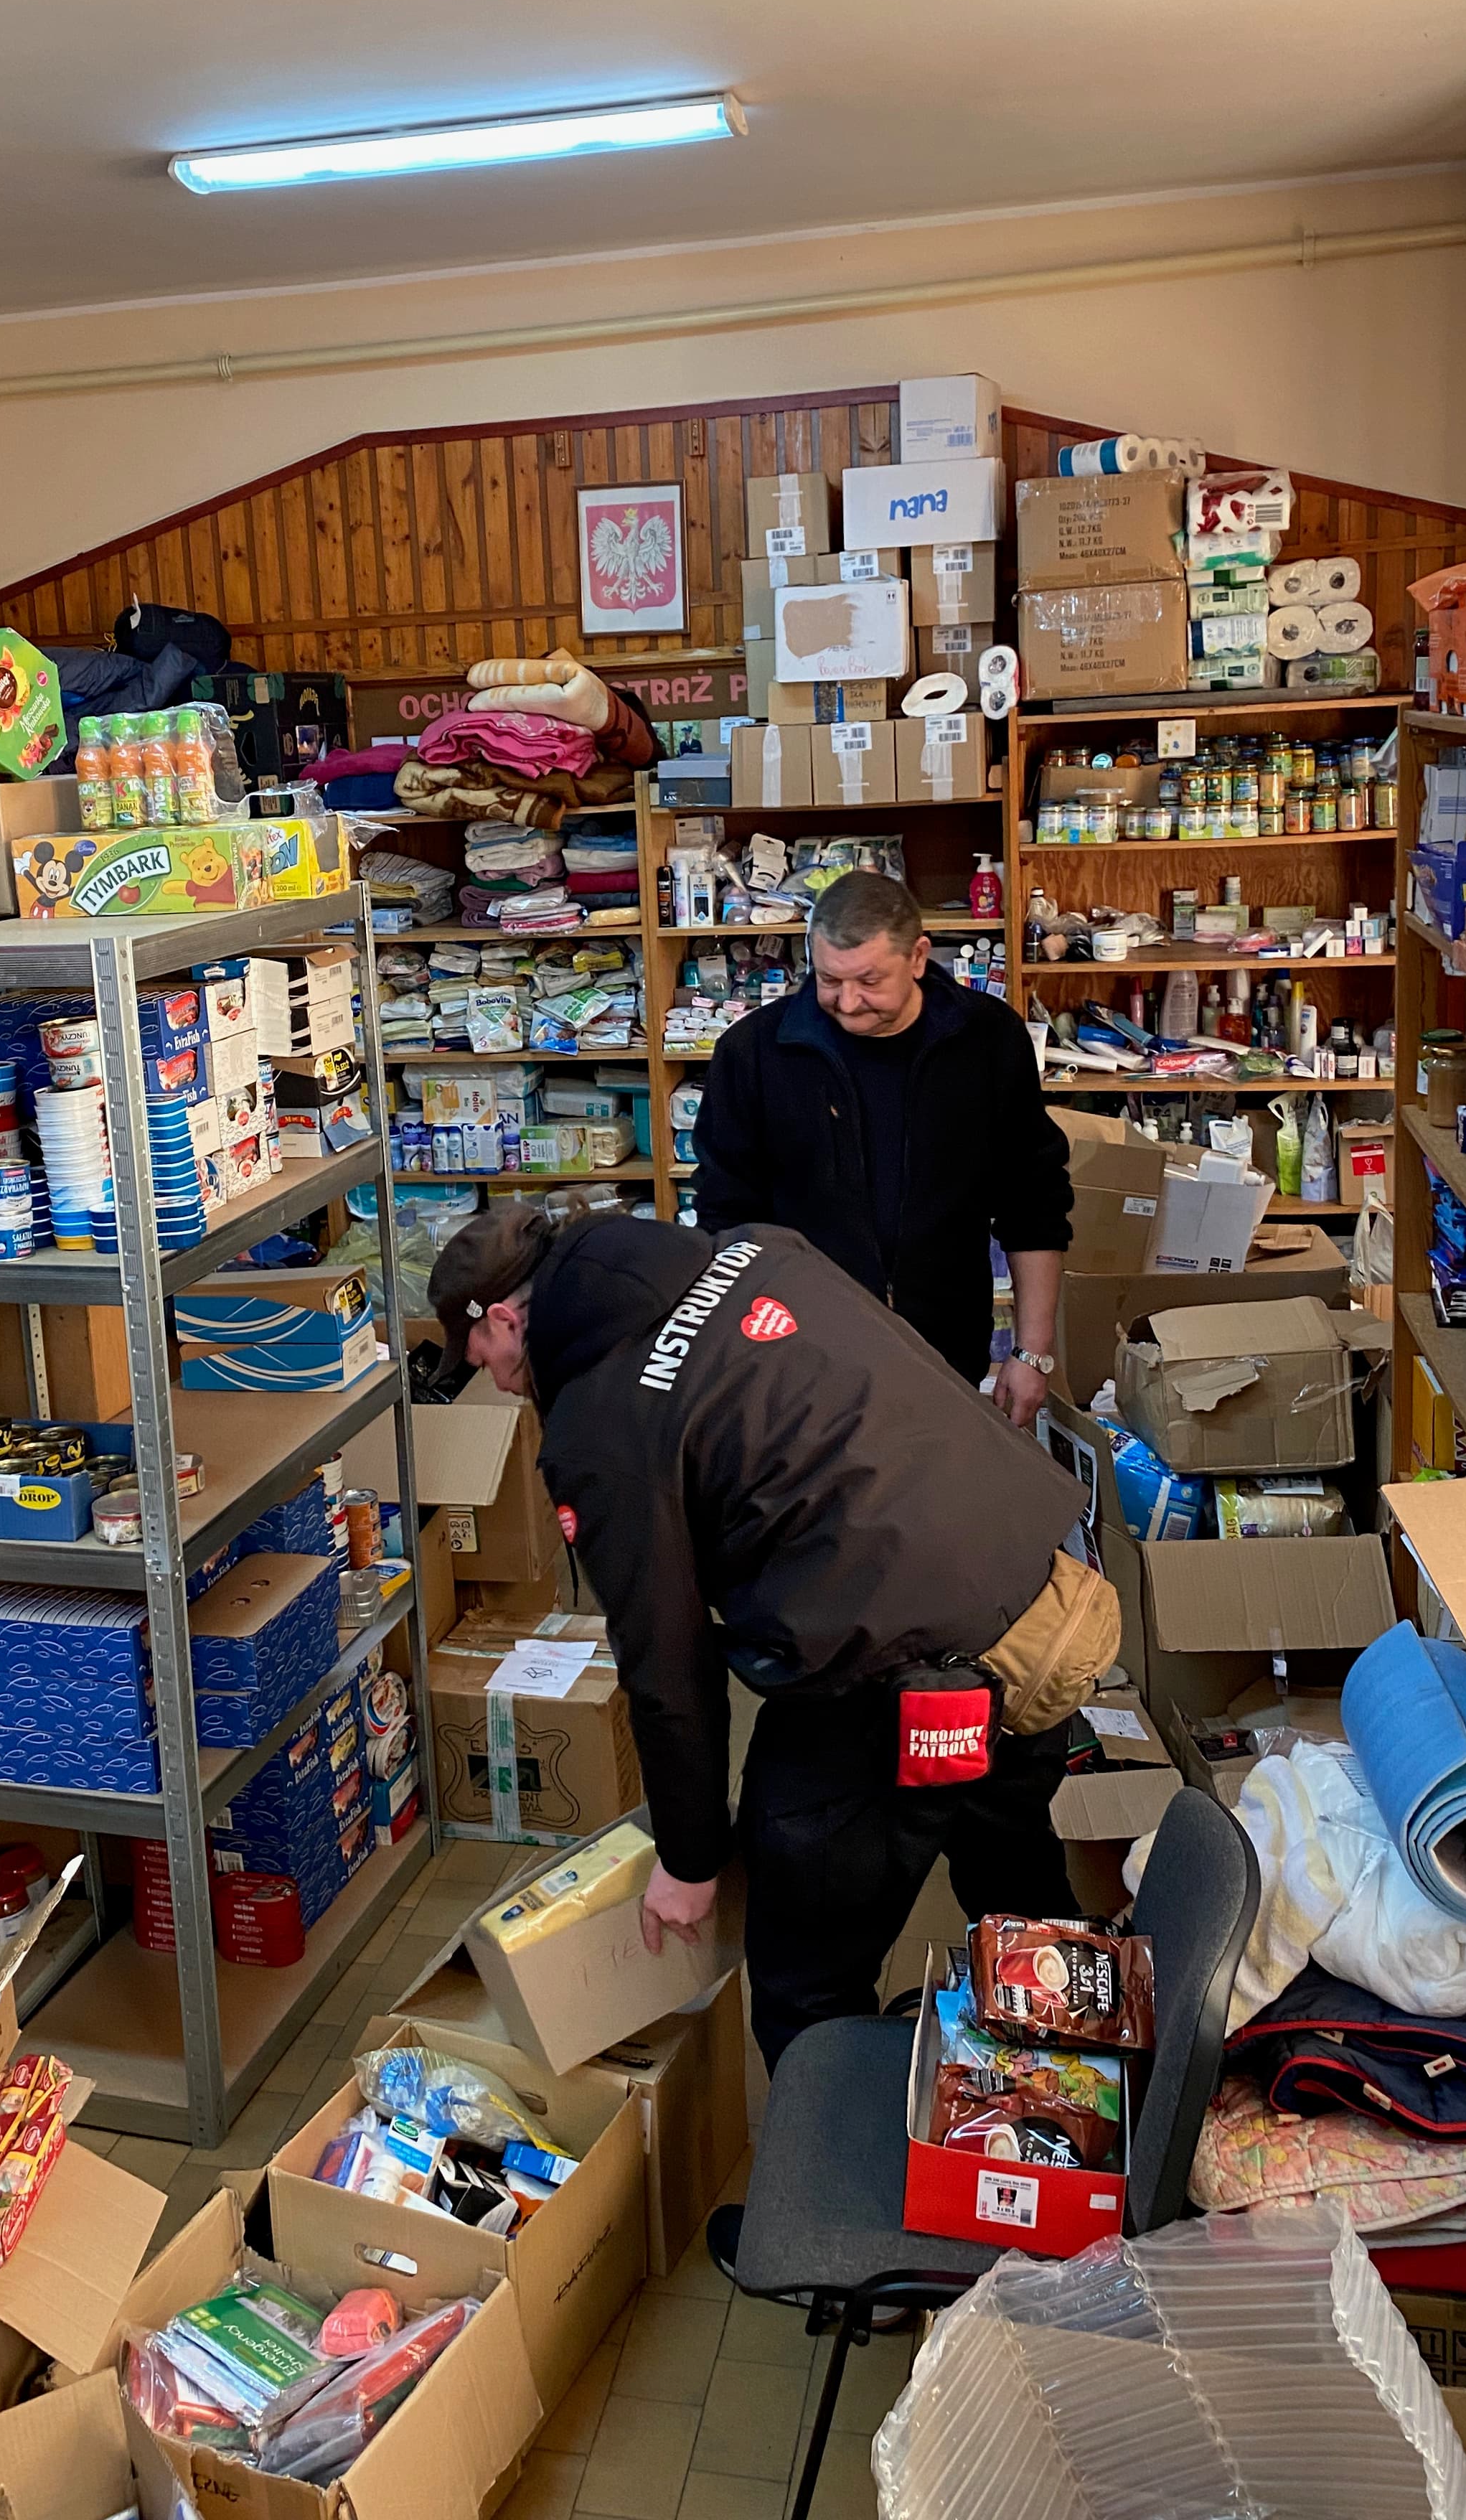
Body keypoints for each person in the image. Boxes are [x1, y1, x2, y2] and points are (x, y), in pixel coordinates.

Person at [426, 1203, 1104, 2089]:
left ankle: (833, 2215)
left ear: (506, 1319)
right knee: (1024, 1914)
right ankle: (1081, 2142)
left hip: (884, 1671)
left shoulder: (599, 1429)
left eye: (476, 1353)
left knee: (804, 1981)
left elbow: (667, 1666)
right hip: (1031, 1604)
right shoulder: (763, 1250)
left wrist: (689, 1862)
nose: (487, 1377)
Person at [690, 869, 1071, 1427]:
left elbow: (1033, 1201)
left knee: (935, 1502)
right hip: (796, 1358)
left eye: (869, 980)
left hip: (946, 1347)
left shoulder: (986, 1039)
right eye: (828, 980)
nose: (847, 1003)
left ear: (918, 957)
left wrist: (1031, 1353)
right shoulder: (754, 1053)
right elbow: (726, 1219)